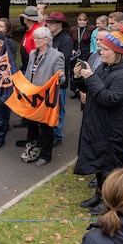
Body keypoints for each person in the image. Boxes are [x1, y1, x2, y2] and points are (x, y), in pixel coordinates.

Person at [73, 30, 123, 214]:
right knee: (99, 163)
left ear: (117, 52)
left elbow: (108, 98)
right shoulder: (105, 67)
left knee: (111, 167)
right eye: (100, 48)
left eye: (105, 49)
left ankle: (110, 202)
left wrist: (90, 77)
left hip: (114, 130)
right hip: (98, 125)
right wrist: (78, 78)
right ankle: (99, 195)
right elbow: (91, 88)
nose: (100, 52)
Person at [20, 26, 66, 167]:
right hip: (32, 97)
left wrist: (60, 77)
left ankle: (46, 155)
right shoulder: (33, 53)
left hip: (46, 99)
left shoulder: (57, 56)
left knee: (46, 128)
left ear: (47, 40)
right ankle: (32, 151)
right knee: (32, 126)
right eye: (34, 38)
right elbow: (29, 72)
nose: (35, 41)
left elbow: (61, 79)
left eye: (38, 38)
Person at [47, 12, 74, 147]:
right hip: (48, 81)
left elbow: (63, 60)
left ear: (59, 25)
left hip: (59, 82)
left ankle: (57, 135)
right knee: (49, 108)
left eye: (51, 23)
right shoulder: (50, 38)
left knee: (58, 109)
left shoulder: (66, 40)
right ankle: (49, 132)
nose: (48, 25)